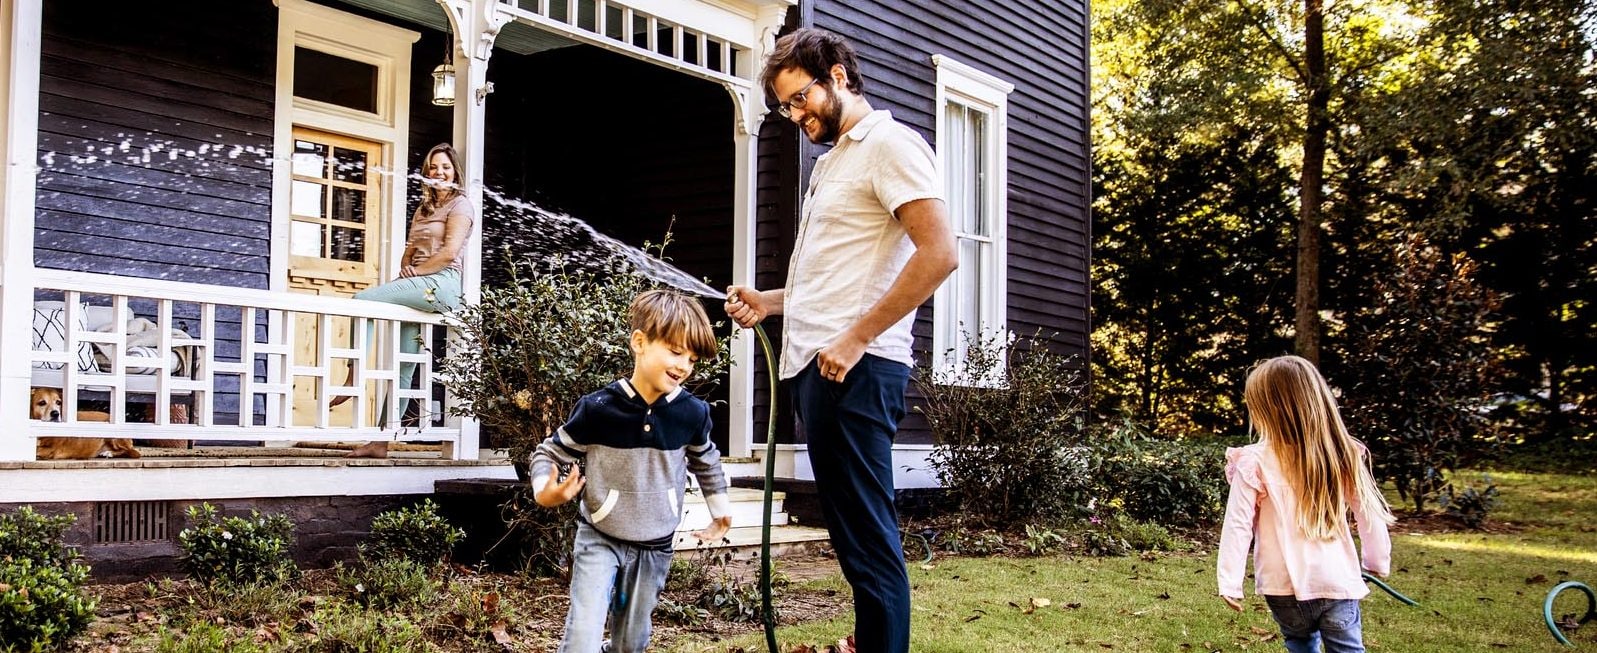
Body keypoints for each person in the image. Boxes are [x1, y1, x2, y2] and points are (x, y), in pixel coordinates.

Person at [722, 27, 958, 653]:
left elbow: (939, 254)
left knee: (868, 538)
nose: (795, 115)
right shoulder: (833, 163)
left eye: (800, 99)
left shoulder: (891, 146)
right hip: (820, 367)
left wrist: (856, 338)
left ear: (839, 77)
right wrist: (770, 303)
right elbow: (835, 279)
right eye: (785, 106)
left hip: (854, 369)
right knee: (854, 537)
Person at [530, 289, 733, 653]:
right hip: (600, 536)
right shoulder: (598, 409)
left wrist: (720, 511)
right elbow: (549, 452)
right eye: (675, 351)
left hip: (654, 546)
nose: (685, 365)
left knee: (630, 644)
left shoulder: (692, 413)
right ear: (640, 342)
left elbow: (707, 460)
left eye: (692, 357)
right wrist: (545, 489)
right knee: (582, 638)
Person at [1217, 355, 1396, 653]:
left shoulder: (1254, 462)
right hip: (1335, 579)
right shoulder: (1341, 454)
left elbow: (1237, 525)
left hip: (1281, 586)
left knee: (1299, 644)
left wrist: (1230, 582)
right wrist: (1377, 561)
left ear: (1268, 410)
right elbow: (1369, 514)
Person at [337, 142, 473, 458]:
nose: (439, 172)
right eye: (433, 168)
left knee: (361, 301)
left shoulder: (460, 206)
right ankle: (381, 442)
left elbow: (449, 253)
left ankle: (353, 373)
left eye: (445, 167)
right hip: (419, 284)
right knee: (404, 365)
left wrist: (416, 273)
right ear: (427, 174)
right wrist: (408, 266)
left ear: (454, 172)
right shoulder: (424, 210)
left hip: (442, 285)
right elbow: (408, 253)